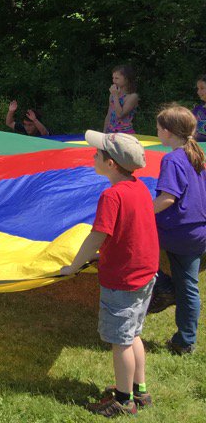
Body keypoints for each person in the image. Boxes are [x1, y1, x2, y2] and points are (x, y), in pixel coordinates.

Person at [59, 131, 157, 416]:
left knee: (121, 343)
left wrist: (73, 266)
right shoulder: (139, 187)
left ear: (111, 163)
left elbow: (96, 237)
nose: (93, 155)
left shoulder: (112, 195)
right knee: (133, 334)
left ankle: (123, 401)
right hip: (145, 274)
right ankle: (140, 391)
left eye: (97, 153)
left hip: (124, 280)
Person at [145, 105, 206, 355]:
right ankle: (185, 336)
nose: (157, 132)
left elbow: (167, 198)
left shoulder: (172, 159)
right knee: (188, 283)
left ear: (168, 132)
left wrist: (140, 211)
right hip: (196, 231)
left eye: (158, 129)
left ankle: (184, 339)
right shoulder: (197, 155)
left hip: (180, 233)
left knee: (185, 285)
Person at [105, 65, 139, 135]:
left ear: (126, 79)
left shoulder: (132, 97)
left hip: (125, 134)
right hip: (110, 132)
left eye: (117, 78)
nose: (114, 81)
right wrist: (104, 133)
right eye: (113, 78)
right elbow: (109, 115)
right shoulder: (112, 95)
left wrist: (115, 96)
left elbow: (120, 115)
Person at [192, 76, 206, 143]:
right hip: (198, 150)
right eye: (198, 88)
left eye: (202, 88)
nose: (198, 92)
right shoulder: (196, 110)